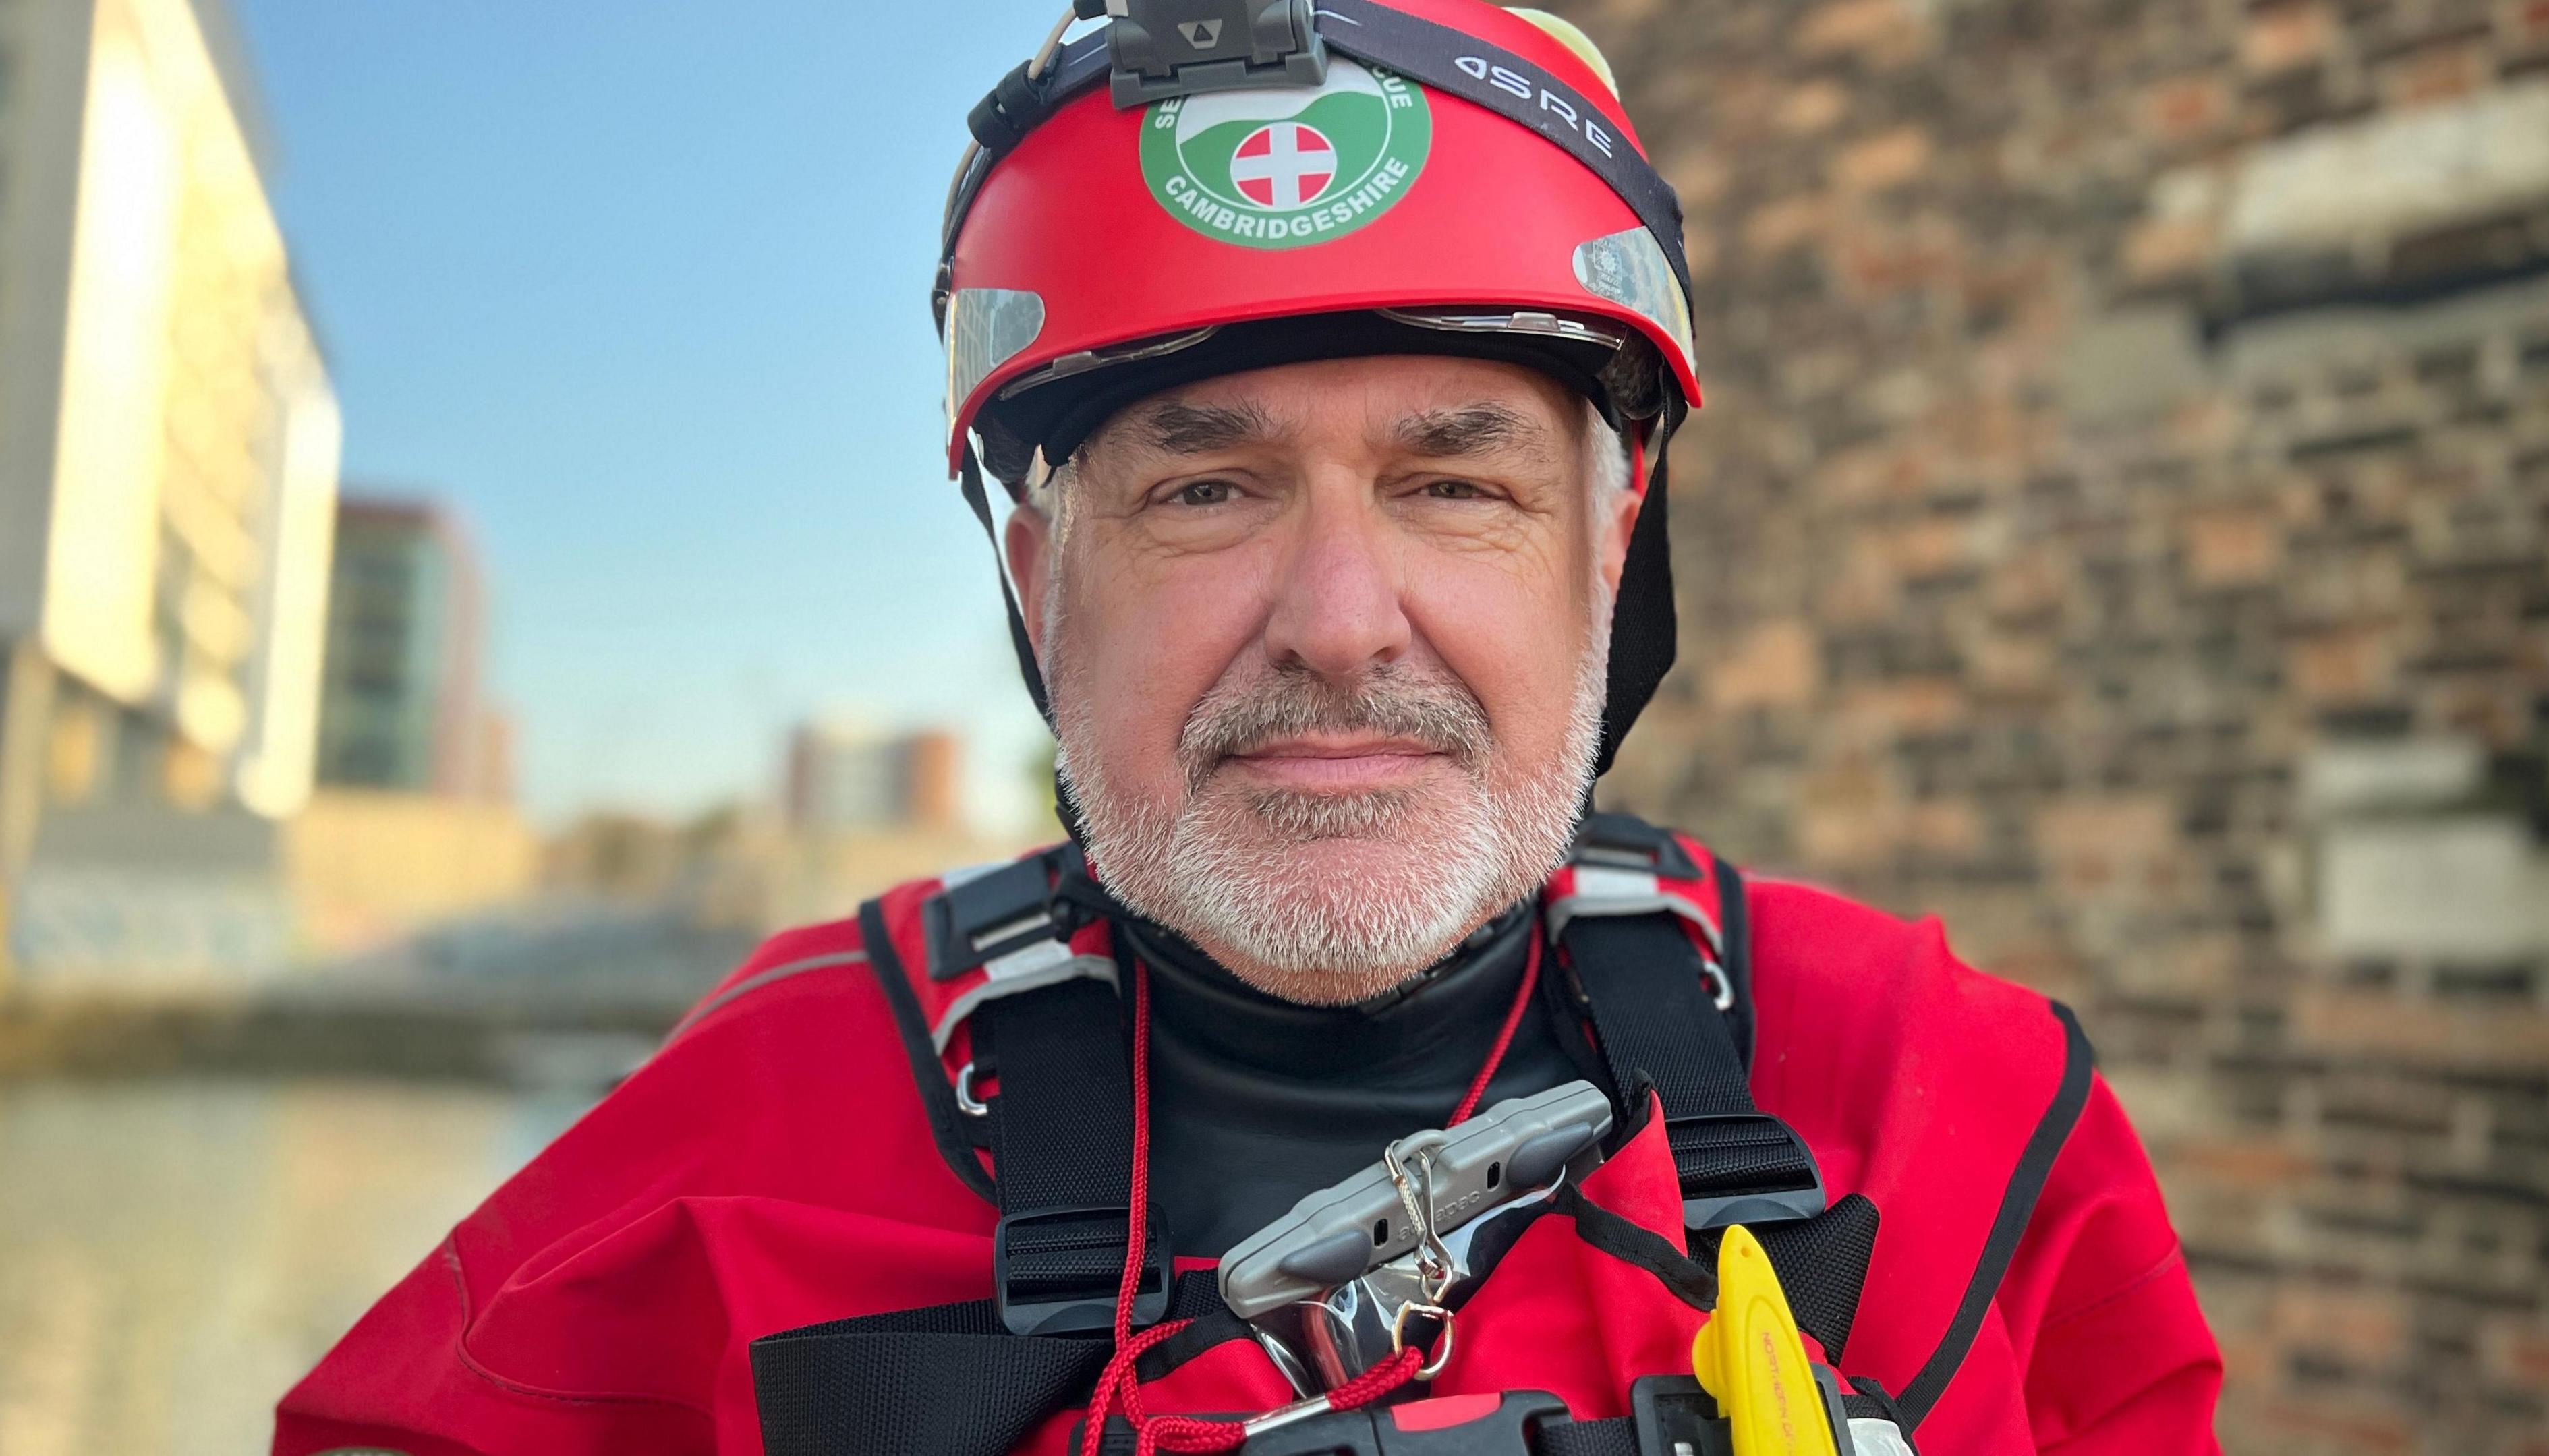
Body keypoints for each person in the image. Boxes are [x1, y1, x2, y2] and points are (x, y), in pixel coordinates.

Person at [276, 3, 2223, 1453]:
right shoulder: (721, 1167)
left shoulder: (1948, 1106)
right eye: (1207, 492)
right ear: (1042, 583)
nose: (1338, 622)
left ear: (1610, 548)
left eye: (1456, 484)